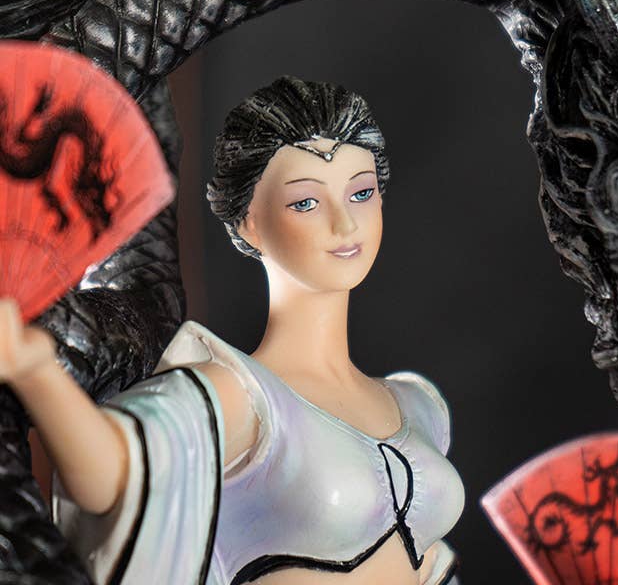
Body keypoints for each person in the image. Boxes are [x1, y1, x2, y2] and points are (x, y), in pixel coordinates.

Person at [0, 76, 464, 585]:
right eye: (305, 202)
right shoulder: (240, 396)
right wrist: (34, 370)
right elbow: (117, 477)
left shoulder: (419, 406)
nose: (345, 224)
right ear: (248, 222)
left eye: (361, 192)